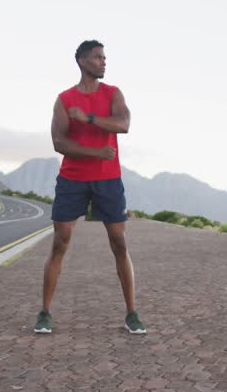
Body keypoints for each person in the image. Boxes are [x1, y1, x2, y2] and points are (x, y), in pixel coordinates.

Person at [34, 40, 146, 335]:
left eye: (105, 57)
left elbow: (124, 124)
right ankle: (45, 313)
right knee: (61, 241)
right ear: (82, 61)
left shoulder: (113, 93)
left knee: (119, 243)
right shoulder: (64, 99)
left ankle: (131, 313)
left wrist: (90, 119)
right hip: (72, 179)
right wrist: (96, 152)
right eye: (98, 57)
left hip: (108, 179)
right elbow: (59, 143)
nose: (104, 62)